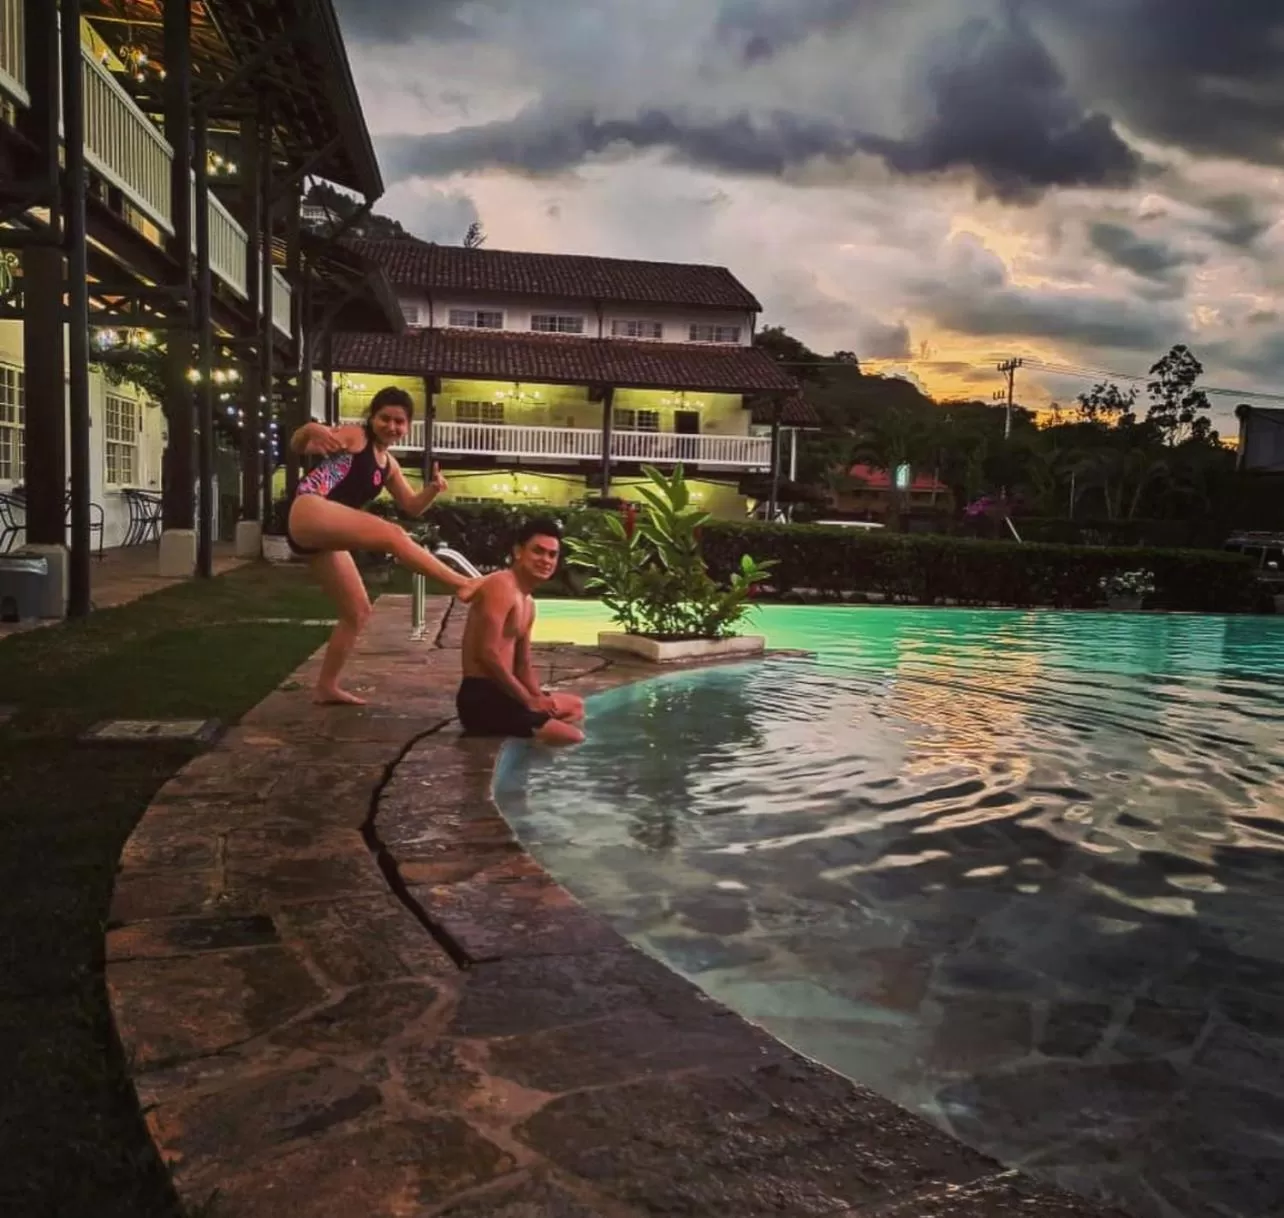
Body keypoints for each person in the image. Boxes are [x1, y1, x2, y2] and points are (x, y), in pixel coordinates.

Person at [288, 385, 481, 705]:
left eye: (399, 422)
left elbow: (411, 506)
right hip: (309, 508)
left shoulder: (388, 464)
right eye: (385, 418)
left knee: (358, 611)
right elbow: (299, 446)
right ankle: (464, 584)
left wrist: (433, 488)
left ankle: (326, 686)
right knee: (393, 535)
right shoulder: (354, 437)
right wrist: (309, 429)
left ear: (408, 426)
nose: (392, 427)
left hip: (323, 537)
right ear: (372, 417)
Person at [457, 517, 585, 745]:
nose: (545, 560)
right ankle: (529, 732)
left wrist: (537, 697)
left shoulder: (528, 603)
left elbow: (523, 664)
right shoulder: (501, 585)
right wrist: (527, 699)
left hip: (507, 693)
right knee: (572, 736)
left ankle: (530, 730)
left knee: (576, 706)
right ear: (518, 551)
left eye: (552, 555)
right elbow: (487, 653)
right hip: (482, 697)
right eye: (538, 551)